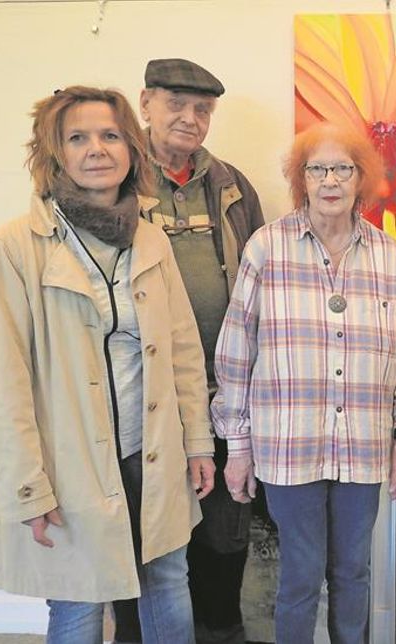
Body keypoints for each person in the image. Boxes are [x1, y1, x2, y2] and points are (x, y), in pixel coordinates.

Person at [0, 86, 214, 643]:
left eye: (110, 135)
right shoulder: (16, 245)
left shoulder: (151, 239)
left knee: (168, 586)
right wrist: (27, 487)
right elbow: (2, 380)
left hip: (150, 450)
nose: (96, 149)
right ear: (54, 152)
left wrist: (198, 441)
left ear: (131, 147)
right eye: (77, 137)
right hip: (71, 464)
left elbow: (181, 352)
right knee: (81, 606)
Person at [211, 122, 396, 643]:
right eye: (317, 169)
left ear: (361, 178)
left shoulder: (385, 254)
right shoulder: (267, 249)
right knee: (300, 579)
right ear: (301, 179)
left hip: (362, 448)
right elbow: (237, 351)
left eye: (342, 168)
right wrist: (237, 448)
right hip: (288, 447)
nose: (330, 180)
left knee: (354, 574)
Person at [113, 57, 265, 644]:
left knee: (224, 539)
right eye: (175, 104)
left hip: (222, 397)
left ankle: (220, 632)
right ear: (145, 104)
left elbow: (261, 283)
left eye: (202, 109)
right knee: (143, 540)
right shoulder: (119, 180)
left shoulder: (231, 185)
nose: (190, 118)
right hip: (142, 399)